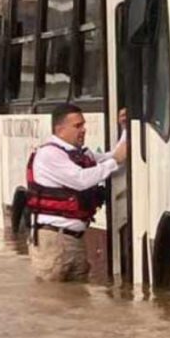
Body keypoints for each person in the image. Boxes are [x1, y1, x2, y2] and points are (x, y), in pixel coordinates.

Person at [26, 104, 128, 282]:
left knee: (77, 301)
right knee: (51, 302)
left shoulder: (80, 153)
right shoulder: (49, 154)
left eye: (83, 125)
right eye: (77, 126)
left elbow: (114, 157)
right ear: (60, 129)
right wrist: (114, 161)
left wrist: (127, 129)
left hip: (75, 241)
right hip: (54, 241)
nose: (83, 130)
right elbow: (81, 180)